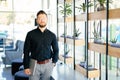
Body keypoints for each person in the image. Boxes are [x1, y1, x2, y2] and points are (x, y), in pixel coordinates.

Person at [23, 10, 59, 80]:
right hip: (33, 64)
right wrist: (26, 66)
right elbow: (26, 51)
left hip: (48, 64)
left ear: (47, 20)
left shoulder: (52, 35)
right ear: (37, 20)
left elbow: (56, 50)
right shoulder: (30, 34)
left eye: (44, 18)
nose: (42, 20)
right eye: (40, 18)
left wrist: (54, 62)